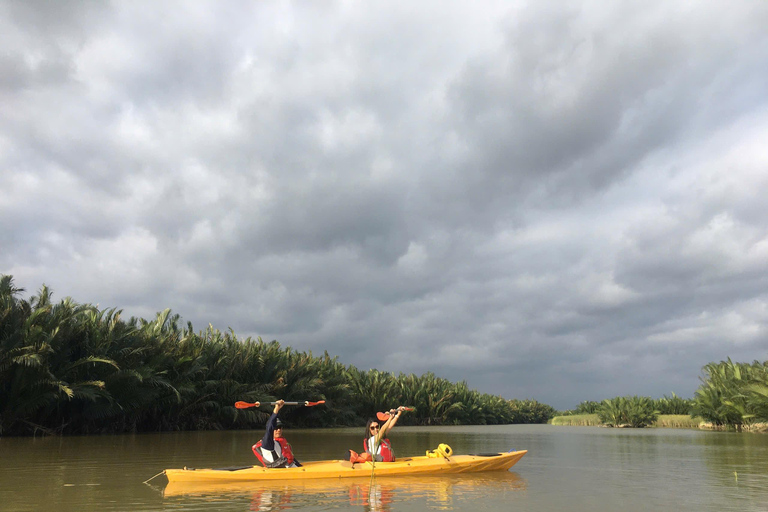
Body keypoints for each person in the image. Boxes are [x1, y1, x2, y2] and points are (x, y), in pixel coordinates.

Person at [251, 399, 301, 468]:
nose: (278, 430)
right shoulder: (267, 443)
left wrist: (301, 466)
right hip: (278, 471)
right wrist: (276, 409)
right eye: (276, 428)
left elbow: (290, 459)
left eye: (280, 427)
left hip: (290, 468)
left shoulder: (280, 442)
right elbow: (269, 427)